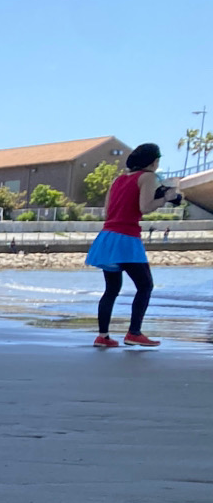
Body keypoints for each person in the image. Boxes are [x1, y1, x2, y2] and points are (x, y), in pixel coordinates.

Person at [85, 142, 179, 348]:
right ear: (154, 162)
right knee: (145, 286)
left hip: (107, 236)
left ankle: (103, 336)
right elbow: (144, 207)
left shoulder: (118, 179)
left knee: (111, 289)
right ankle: (134, 332)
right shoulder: (148, 177)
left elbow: (107, 211)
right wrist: (165, 198)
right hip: (127, 237)